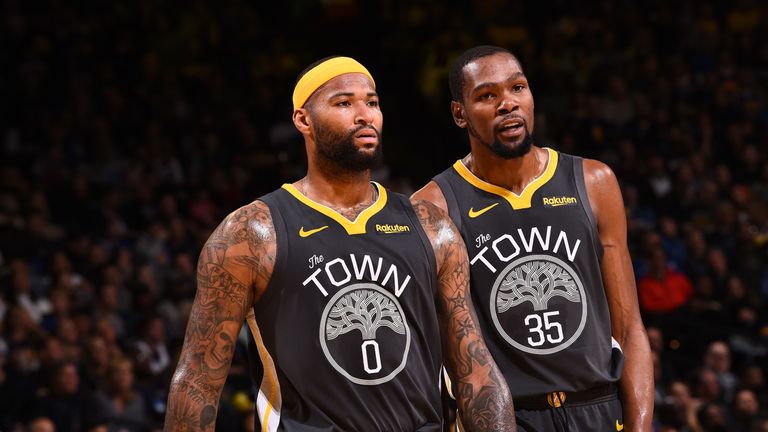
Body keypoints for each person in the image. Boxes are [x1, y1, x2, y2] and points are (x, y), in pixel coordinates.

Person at [165, 56, 516, 431]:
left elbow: (477, 373)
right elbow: (198, 381)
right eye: (344, 103)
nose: (365, 115)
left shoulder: (432, 229)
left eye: (373, 102)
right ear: (303, 121)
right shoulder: (251, 234)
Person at [412, 45, 653, 431]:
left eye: (517, 88)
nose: (508, 104)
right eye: (488, 95)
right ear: (460, 113)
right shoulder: (432, 206)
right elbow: (441, 353)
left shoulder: (594, 182)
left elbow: (628, 329)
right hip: (508, 417)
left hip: (598, 408)